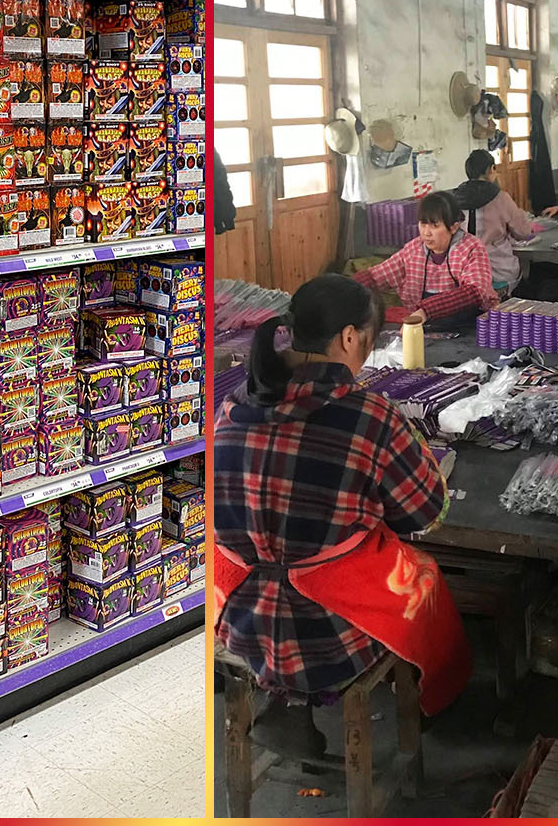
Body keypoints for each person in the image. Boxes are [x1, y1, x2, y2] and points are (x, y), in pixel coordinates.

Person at [214, 274, 470, 757]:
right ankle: (439, 706)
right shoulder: (372, 416)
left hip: (241, 618)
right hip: (332, 636)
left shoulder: (231, 409)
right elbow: (424, 515)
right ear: (350, 338)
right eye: (368, 342)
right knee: (425, 578)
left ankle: (286, 699)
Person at [352, 192, 498, 329]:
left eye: (435, 226)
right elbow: (377, 277)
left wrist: (426, 311)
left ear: (454, 227)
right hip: (427, 329)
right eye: (423, 224)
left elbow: (475, 292)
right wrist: (345, 288)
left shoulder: (471, 248)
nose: (426, 233)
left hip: (473, 328)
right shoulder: (413, 251)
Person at [451, 149, 536, 293]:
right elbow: (522, 232)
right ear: (491, 170)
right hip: (498, 271)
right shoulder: (500, 197)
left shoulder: (454, 198)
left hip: (462, 271)